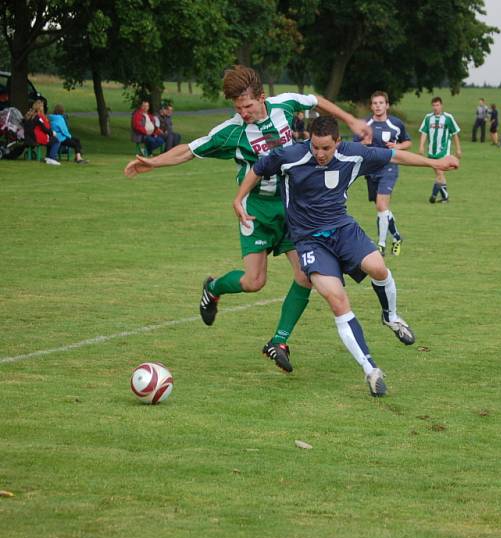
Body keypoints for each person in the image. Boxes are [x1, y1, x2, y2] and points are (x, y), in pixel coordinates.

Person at [124, 65, 371, 373]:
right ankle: (213, 288)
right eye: (238, 107)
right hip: (255, 209)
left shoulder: (285, 104)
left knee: (305, 276)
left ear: (261, 98)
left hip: (294, 209)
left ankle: (278, 341)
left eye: (248, 106)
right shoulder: (233, 130)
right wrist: (153, 162)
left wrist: (350, 120)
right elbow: (189, 150)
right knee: (255, 282)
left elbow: (316, 100)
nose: (244, 112)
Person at [233, 116, 459, 396]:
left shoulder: (354, 154)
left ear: (337, 142)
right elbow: (259, 167)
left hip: (343, 228)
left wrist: (434, 163)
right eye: (315, 146)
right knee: (337, 300)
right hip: (309, 240)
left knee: (378, 268)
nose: (319, 153)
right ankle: (371, 370)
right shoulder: (291, 155)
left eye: (326, 148)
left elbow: (395, 155)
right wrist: (239, 198)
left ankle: (391, 317)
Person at [353, 90, 411, 256]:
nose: (378, 106)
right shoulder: (365, 124)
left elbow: (407, 142)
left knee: (381, 205)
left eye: (381, 103)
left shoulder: (396, 124)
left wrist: (398, 147)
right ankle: (397, 236)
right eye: (375, 103)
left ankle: (381, 245)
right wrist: (364, 142)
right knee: (382, 208)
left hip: (389, 167)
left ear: (387, 105)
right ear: (371, 106)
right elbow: (355, 144)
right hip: (371, 170)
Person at [418, 96, 461, 204]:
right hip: (432, 151)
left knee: (439, 172)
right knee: (439, 173)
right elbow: (424, 132)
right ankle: (445, 197)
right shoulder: (428, 118)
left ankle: (433, 195)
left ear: (441, 105)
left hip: (444, 150)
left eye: (437, 105)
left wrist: (458, 149)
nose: (435, 107)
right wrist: (421, 146)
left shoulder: (448, 117)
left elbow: (455, 133)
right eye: (433, 105)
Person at [24, 99, 60, 165]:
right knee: (56, 140)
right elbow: (45, 128)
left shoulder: (28, 115)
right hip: (35, 137)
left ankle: (48, 157)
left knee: (51, 139)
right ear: (40, 108)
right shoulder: (38, 117)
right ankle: (52, 158)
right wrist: (52, 133)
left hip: (27, 137)